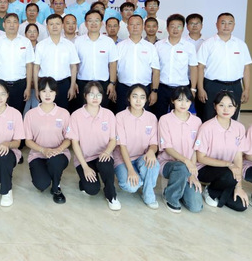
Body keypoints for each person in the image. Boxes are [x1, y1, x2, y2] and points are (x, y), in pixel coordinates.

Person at [67, 81, 120, 210]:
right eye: (91, 94)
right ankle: (84, 179)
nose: (95, 98)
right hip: (85, 159)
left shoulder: (108, 114)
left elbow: (113, 140)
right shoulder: (76, 115)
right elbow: (75, 143)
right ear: (85, 96)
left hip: (103, 155)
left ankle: (111, 195)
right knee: (92, 190)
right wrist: (85, 167)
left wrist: (107, 152)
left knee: (105, 164)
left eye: (99, 95)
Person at [194, 91, 249, 211]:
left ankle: (223, 192)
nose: (226, 109)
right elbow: (201, 158)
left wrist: (239, 187)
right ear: (215, 106)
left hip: (227, 170)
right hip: (205, 168)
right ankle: (211, 191)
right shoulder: (206, 127)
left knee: (241, 206)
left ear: (236, 108)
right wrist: (228, 164)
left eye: (230, 106)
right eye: (221, 105)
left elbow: (238, 157)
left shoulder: (239, 128)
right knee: (229, 175)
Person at [197, 13, 252, 122]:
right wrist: (200, 88)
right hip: (212, 86)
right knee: (209, 117)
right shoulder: (207, 44)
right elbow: (200, 68)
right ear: (216, 24)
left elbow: (246, 68)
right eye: (223, 23)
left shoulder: (241, 44)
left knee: (232, 118)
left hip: (235, 86)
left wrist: (246, 89)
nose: (226, 26)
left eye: (230, 23)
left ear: (234, 25)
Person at [24, 77, 71, 204]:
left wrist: (58, 150)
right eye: (44, 91)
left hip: (59, 154)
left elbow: (68, 139)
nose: (48, 95)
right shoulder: (30, 114)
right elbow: (28, 141)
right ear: (39, 93)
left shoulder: (64, 113)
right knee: (41, 184)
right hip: (38, 155)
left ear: (56, 93)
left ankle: (56, 187)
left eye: (51, 91)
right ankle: (48, 173)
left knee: (55, 162)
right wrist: (43, 150)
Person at [112, 84, 160, 209]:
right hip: (122, 159)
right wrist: (130, 170)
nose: (138, 101)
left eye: (142, 97)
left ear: (146, 99)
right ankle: (144, 180)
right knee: (131, 186)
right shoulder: (120, 117)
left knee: (154, 164)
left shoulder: (151, 118)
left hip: (141, 157)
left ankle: (148, 195)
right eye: (135, 96)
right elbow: (122, 146)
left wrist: (151, 152)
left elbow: (154, 144)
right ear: (129, 98)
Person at [157, 86, 204, 213]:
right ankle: (170, 197)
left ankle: (180, 187)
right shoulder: (165, 120)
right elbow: (167, 148)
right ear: (173, 101)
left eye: (187, 101)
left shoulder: (197, 121)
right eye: (179, 100)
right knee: (181, 167)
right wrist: (186, 162)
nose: (183, 104)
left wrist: (192, 174)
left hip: (190, 167)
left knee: (196, 206)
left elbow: (195, 149)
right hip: (168, 163)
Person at [153, 14, 198, 119]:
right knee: (160, 116)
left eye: (179, 26)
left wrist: (193, 89)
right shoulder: (158, 45)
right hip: (162, 87)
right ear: (167, 28)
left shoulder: (189, 46)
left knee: (180, 118)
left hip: (182, 88)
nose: (175, 29)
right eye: (172, 26)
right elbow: (155, 69)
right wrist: (154, 90)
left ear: (183, 28)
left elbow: (193, 68)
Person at [0, 13, 34, 113]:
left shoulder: (26, 42)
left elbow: (29, 65)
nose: (12, 25)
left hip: (20, 85)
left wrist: (28, 87)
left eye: (15, 22)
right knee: (0, 113)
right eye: (9, 22)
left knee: (17, 114)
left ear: (19, 25)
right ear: (4, 24)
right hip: (1, 85)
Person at [33, 14, 80, 110]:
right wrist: (37, 89)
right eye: (51, 24)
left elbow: (73, 67)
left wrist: (72, 86)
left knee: (63, 111)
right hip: (45, 85)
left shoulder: (69, 45)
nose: (54, 27)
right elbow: (36, 68)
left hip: (64, 85)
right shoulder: (41, 45)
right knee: (46, 112)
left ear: (62, 25)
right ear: (47, 27)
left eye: (57, 24)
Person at [74, 10, 118, 109]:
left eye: (97, 20)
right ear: (85, 24)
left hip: (103, 84)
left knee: (102, 111)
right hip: (83, 83)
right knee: (83, 111)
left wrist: (112, 83)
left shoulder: (108, 42)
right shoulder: (78, 41)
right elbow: (74, 64)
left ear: (101, 23)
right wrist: (74, 83)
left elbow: (112, 64)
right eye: (90, 21)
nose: (93, 23)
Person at [115, 15, 160, 113]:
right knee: (122, 116)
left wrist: (154, 91)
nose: (135, 27)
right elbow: (114, 70)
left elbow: (156, 71)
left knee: (143, 117)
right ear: (127, 27)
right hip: (123, 88)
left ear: (143, 26)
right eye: (132, 24)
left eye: (138, 24)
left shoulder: (150, 47)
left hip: (144, 88)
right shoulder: (119, 46)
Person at [23, 23, 41, 114]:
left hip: (39, 82)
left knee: (36, 108)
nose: (32, 34)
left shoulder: (41, 47)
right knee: (25, 108)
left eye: (34, 31)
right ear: (25, 34)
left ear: (38, 34)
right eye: (29, 31)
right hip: (25, 82)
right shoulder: (22, 47)